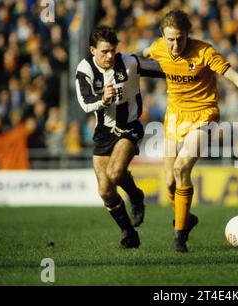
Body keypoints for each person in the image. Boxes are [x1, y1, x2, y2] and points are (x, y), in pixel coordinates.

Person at [142, 10, 238, 252]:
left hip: (204, 115)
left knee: (181, 169)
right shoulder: (158, 47)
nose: (175, 44)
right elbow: (143, 55)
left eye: (180, 38)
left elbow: (235, 77)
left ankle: (179, 237)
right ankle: (187, 219)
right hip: (174, 117)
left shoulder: (204, 52)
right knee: (169, 182)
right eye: (170, 39)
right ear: (163, 36)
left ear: (187, 34)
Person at [75, 26, 163, 248]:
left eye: (113, 51)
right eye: (104, 51)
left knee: (115, 173)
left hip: (129, 127)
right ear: (92, 50)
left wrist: (194, 68)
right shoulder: (84, 69)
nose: (110, 56)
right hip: (104, 132)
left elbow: (164, 68)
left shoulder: (130, 62)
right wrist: (103, 100)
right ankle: (129, 233)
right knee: (105, 191)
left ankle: (136, 196)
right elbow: (85, 103)